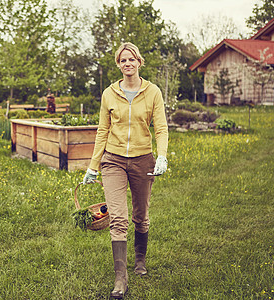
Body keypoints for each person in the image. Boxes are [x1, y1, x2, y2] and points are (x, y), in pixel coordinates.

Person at [82, 42, 168, 299]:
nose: (127, 64)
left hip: (143, 160)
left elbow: (161, 128)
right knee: (118, 217)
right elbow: (102, 131)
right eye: (123, 61)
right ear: (118, 65)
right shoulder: (109, 94)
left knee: (140, 216)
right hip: (113, 160)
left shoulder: (153, 92)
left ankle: (140, 260)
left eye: (131, 59)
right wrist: (93, 166)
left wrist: (161, 156)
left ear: (139, 62)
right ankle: (121, 279)